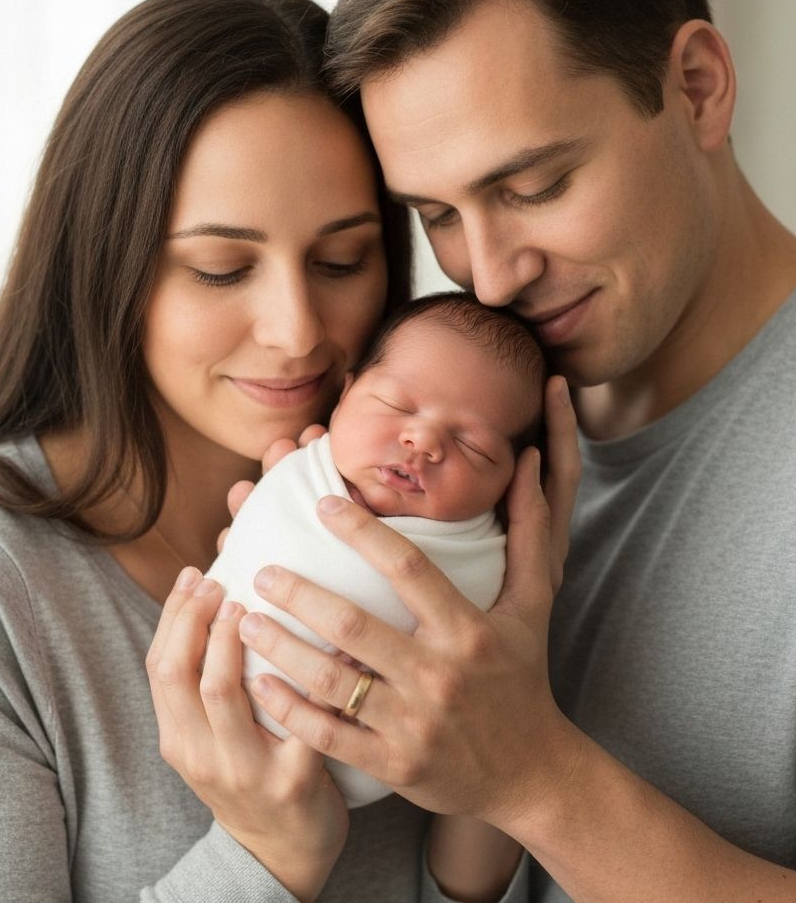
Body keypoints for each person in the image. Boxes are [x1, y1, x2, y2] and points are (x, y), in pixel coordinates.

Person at [156, 0, 796, 902]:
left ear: (695, 85)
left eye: (532, 187)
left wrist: (530, 775)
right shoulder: (441, 403)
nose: (491, 273)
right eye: (438, 213)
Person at [0, 0, 516, 903]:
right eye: (222, 270)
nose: (298, 329)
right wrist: (265, 855)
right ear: (108, 267)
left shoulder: (443, 517)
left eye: (343, 260)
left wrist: (506, 741)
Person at [208, 291, 547, 808]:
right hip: (206, 689)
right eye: (395, 405)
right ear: (344, 397)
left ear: (509, 483)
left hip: (357, 770)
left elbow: (469, 668)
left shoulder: (485, 557)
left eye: (474, 446)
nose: (422, 440)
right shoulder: (300, 472)